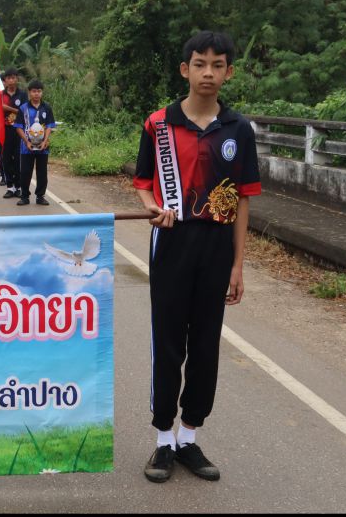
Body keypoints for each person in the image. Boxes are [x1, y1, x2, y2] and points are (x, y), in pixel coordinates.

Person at [133, 31, 261, 484]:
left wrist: (237, 265)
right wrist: (153, 207)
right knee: (168, 342)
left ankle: (189, 436)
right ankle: (163, 439)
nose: (208, 73)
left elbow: (243, 199)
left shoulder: (239, 129)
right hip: (172, 243)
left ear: (229, 72)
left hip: (217, 246)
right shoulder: (158, 125)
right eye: (200, 64)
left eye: (217, 65)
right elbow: (143, 181)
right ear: (185, 69)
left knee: (206, 345)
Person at [13, 79, 55, 206]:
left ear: (42, 92)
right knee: (25, 172)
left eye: (39, 91)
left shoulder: (46, 108)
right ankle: (24, 196)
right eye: (34, 91)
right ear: (29, 92)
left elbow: (49, 126)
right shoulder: (23, 108)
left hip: (43, 146)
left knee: (42, 172)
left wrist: (45, 141)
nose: (37, 94)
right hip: (27, 147)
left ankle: (40, 196)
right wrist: (26, 141)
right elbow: (18, 127)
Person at [0, 68, 26, 198]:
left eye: (13, 77)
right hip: (4, 130)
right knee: (6, 159)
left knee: (18, 159)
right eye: (8, 78)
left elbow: (25, 111)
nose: (11, 80)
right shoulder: (0, 95)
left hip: (18, 130)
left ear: (17, 79)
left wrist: (9, 109)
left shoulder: (22, 95)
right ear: (5, 80)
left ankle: (18, 187)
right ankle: (10, 187)